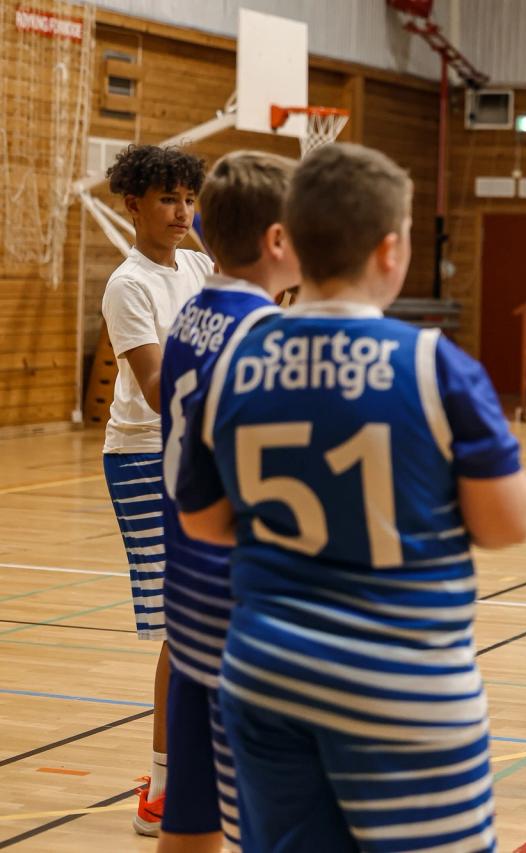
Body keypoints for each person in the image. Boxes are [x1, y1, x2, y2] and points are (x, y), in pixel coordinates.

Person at [175, 143, 526, 851]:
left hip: (264, 667)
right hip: (401, 679)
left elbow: (204, 519)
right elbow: (506, 525)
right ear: (391, 249)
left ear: (293, 240)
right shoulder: (435, 364)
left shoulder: (237, 360)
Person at [155, 151, 298, 853]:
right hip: (240, 607)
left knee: (191, 820)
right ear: (279, 240)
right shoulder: (265, 338)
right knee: (272, 825)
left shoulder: (192, 315)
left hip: (187, 596)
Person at [100, 143, 211, 836]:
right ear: (133, 203)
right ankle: (163, 786)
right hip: (145, 457)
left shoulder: (203, 266)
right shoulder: (128, 284)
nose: (181, 210)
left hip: (202, 452)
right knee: (180, 627)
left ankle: (199, 765)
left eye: (187, 197)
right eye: (167, 198)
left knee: (207, 619)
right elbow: (158, 388)